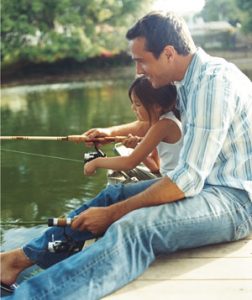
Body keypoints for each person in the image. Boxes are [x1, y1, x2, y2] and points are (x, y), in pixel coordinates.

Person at [1, 11, 252, 300]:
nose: (138, 71)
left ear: (168, 53)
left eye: (141, 61)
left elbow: (186, 181)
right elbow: (155, 122)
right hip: (207, 187)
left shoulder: (213, 84)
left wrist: (111, 216)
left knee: (133, 227)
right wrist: (110, 131)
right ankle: (13, 262)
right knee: (113, 196)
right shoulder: (189, 80)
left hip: (236, 201)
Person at [84, 75, 183, 177]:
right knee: (115, 171)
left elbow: (129, 163)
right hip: (164, 178)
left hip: (172, 184)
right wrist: (137, 148)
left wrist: (96, 162)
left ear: (157, 106)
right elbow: (155, 166)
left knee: (115, 189)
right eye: (133, 103)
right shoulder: (159, 122)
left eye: (138, 104)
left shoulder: (164, 125)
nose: (133, 108)